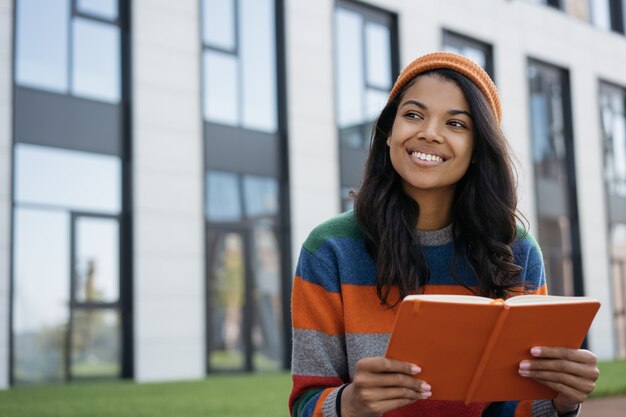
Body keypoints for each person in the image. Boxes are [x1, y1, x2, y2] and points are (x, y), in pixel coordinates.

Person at [288, 52, 599, 417]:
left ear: (478, 149)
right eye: (413, 115)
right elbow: (306, 405)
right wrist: (350, 403)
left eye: (456, 124)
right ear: (388, 134)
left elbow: (515, 405)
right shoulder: (329, 249)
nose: (429, 133)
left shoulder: (516, 250)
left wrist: (562, 401)